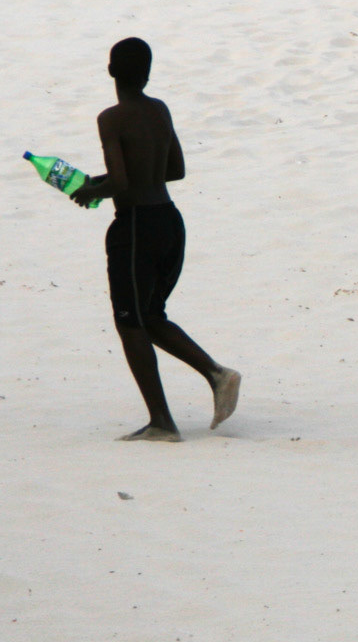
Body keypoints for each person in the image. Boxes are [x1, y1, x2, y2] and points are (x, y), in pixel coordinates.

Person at [72, 38, 240, 440]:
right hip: (169, 221)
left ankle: (162, 422)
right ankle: (217, 375)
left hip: (135, 229)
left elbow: (122, 181)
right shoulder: (159, 110)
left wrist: (92, 190)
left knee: (129, 321)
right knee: (150, 316)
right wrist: (109, 182)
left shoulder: (110, 118)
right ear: (147, 74)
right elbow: (175, 170)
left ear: (111, 71)